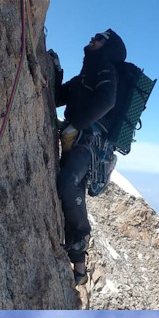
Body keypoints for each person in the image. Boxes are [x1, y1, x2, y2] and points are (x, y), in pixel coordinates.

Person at [53, 29, 126, 282]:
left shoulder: (105, 70)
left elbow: (107, 101)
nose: (92, 39)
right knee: (72, 190)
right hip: (82, 138)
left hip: (91, 139)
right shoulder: (88, 74)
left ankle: (82, 236)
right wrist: (57, 71)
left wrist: (79, 123)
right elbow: (57, 97)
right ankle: (80, 270)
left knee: (68, 182)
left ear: (107, 47)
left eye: (99, 38)